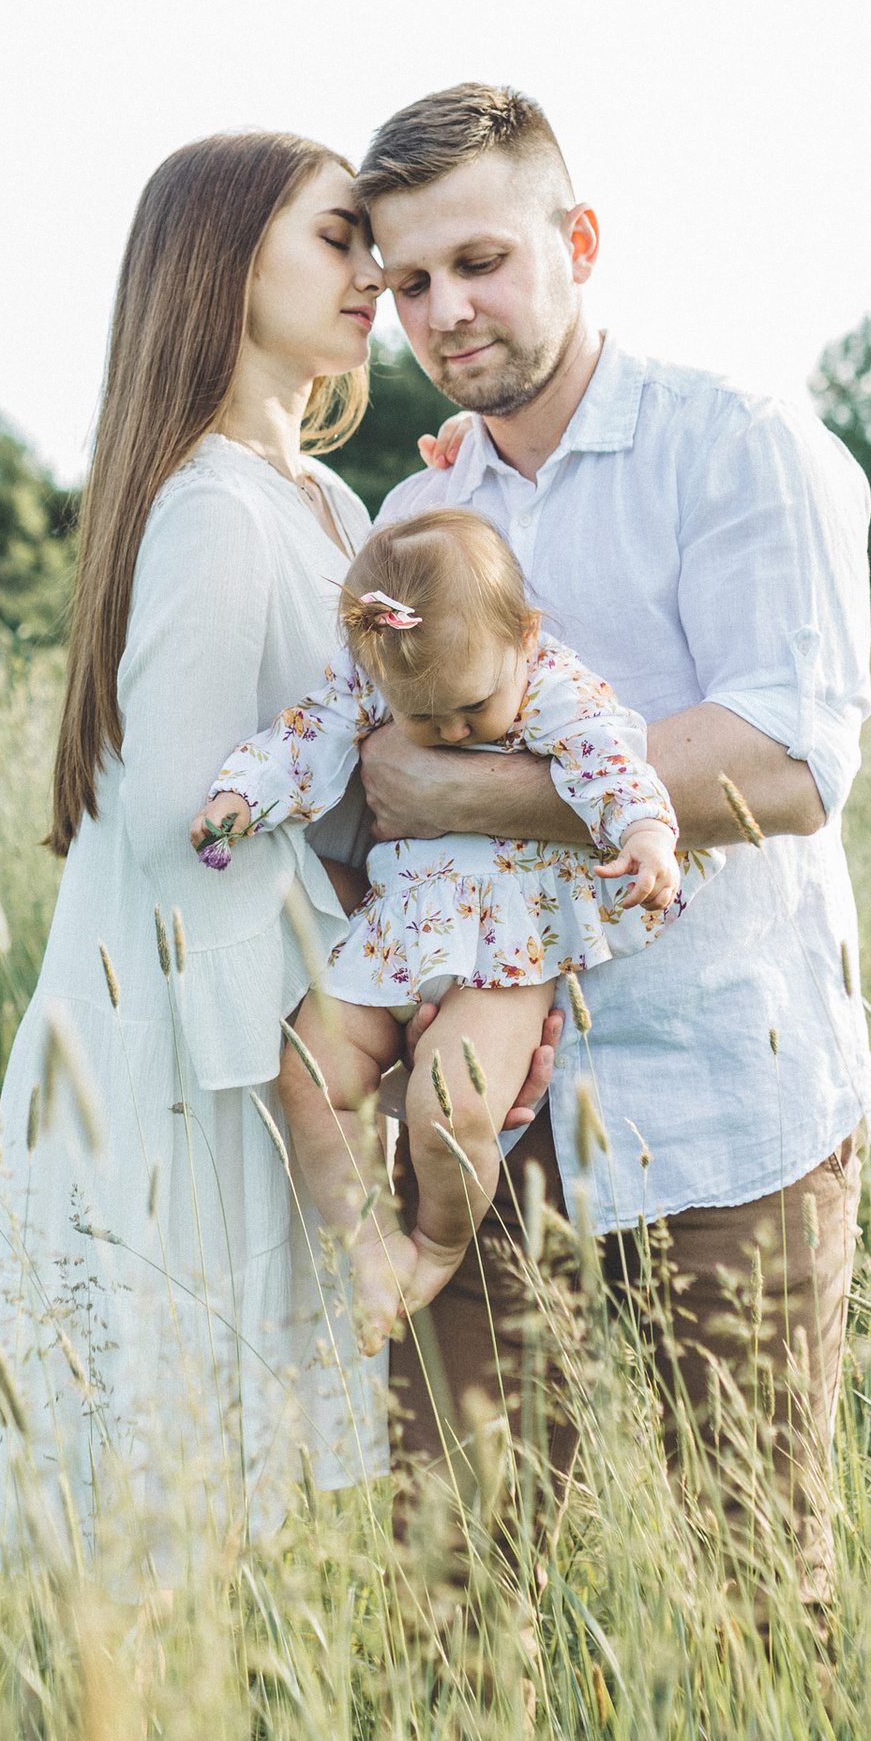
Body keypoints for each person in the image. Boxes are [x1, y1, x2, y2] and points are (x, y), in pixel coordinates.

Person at [355, 81, 871, 1614]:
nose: (446, 309)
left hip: (728, 1099)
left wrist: (474, 797)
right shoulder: (421, 508)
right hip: (481, 1119)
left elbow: (788, 761)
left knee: (755, 1581)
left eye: (482, 261)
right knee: (457, 1575)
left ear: (576, 240)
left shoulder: (739, 445)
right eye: (408, 285)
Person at [0, 132, 391, 1584]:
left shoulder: (331, 505)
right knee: (159, 1484)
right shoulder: (211, 506)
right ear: (226, 263)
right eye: (340, 236)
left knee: (244, 1479)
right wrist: (354, 878)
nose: (375, 269)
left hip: (270, 1032)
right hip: (179, 1048)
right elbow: (170, 818)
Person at [189, 508, 681, 1327]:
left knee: (452, 1113)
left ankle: (441, 1243)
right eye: (422, 719)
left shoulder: (554, 685)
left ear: (525, 638)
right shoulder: (377, 678)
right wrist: (242, 795)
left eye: (471, 708)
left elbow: (610, 760)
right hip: (400, 922)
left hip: (510, 943)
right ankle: (371, 1244)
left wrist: (646, 833)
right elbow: (306, 737)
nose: (450, 732)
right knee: (312, 1075)